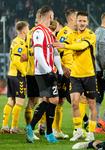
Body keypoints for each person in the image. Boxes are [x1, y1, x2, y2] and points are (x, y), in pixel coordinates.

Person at [53, 11, 97, 141]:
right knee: (74, 103)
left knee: (91, 104)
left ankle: (91, 133)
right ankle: (78, 130)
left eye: (84, 21)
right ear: (76, 21)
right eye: (80, 21)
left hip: (89, 74)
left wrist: (65, 45)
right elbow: (59, 48)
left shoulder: (91, 35)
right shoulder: (71, 35)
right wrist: (54, 42)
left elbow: (81, 46)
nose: (82, 23)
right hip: (75, 75)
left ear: (87, 22)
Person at [24, 5, 63, 143]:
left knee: (47, 100)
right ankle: (47, 132)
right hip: (42, 71)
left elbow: (55, 52)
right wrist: (49, 71)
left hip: (48, 70)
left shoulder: (48, 32)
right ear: (51, 16)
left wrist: (60, 70)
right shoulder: (38, 32)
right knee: (54, 100)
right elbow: (38, 53)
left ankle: (35, 128)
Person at [1, 21, 29, 134]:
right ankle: (14, 127)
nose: (28, 30)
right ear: (24, 31)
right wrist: (25, 72)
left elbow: (12, 59)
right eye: (28, 28)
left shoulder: (14, 41)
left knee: (10, 101)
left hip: (11, 74)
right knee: (20, 102)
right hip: (18, 75)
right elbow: (17, 60)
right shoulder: (21, 43)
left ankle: (4, 126)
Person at [23, 9, 41, 140]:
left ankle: (35, 127)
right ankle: (31, 128)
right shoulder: (39, 33)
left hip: (31, 71)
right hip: (39, 71)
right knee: (40, 100)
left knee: (33, 100)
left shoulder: (29, 33)